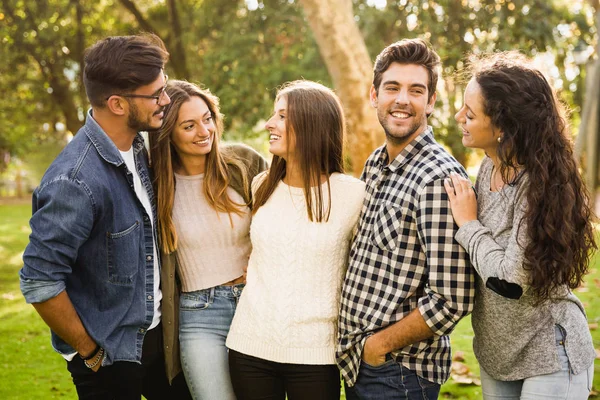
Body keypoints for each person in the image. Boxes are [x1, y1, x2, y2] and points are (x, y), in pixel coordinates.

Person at [19, 34, 190, 399]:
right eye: (156, 94)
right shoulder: (75, 180)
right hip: (109, 357)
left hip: (155, 338)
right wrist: (89, 352)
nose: (166, 101)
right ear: (116, 103)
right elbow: (39, 280)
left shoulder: (140, 145)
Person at [444, 51, 596, 400]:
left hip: (550, 353)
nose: (458, 117)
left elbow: (511, 282)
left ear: (504, 126)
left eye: (470, 113)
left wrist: (468, 225)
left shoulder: (539, 186)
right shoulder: (485, 171)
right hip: (497, 355)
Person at [337, 38, 476, 400]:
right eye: (392, 88)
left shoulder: (436, 178)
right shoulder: (375, 163)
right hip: (363, 365)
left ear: (431, 101)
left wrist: (378, 346)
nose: (402, 100)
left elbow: (452, 298)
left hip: (399, 374)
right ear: (374, 95)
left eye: (416, 90)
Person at [225, 80, 366, 399]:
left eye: (282, 116)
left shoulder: (352, 194)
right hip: (250, 346)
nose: (269, 124)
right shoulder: (262, 184)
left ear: (312, 124)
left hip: (316, 355)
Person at [148, 79, 268, 400]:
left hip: (256, 303)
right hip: (198, 314)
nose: (204, 131)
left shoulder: (242, 163)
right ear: (167, 132)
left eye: (207, 118)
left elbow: (285, 218)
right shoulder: (157, 186)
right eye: (189, 125)